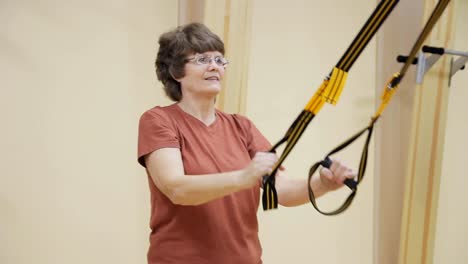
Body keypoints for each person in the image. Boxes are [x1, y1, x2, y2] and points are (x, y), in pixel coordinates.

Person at [137, 22, 356, 264]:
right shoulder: (159, 120)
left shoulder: (242, 127)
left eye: (220, 60)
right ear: (176, 71)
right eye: (202, 60)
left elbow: (280, 190)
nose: (214, 66)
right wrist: (243, 177)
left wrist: (322, 184)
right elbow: (177, 189)